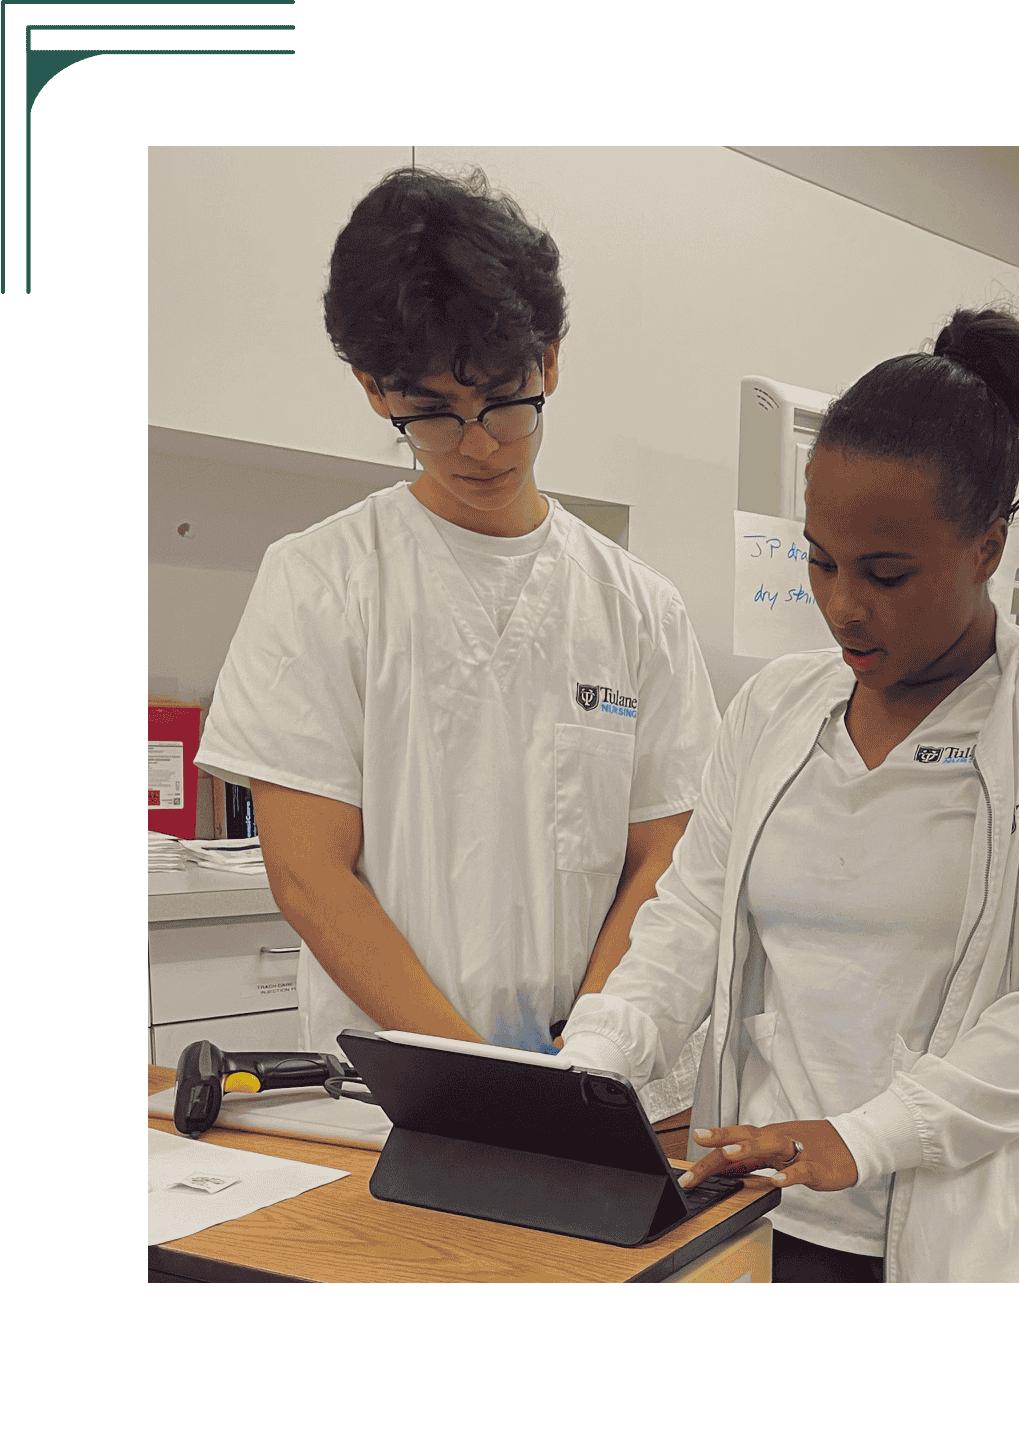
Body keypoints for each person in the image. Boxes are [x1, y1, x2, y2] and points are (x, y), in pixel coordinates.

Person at [557, 308, 1019, 1282]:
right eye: (821, 559)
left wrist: (869, 1132)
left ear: (985, 545)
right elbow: (687, 916)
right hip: (769, 1211)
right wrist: (597, 1052)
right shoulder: (774, 707)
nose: (844, 603)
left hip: (992, 1235)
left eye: (888, 573)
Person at [195, 168, 718, 1123]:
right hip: (388, 1097)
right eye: (431, 412)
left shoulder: (640, 607)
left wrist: (591, 1047)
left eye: (506, 399)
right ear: (371, 389)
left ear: (550, 360)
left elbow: (665, 855)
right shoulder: (322, 580)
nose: (478, 444)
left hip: (602, 1084)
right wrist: (469, 1078)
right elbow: (309, 871)